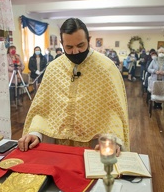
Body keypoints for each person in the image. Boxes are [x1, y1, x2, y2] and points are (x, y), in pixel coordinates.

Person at [18, 18, 130, 155]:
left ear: (89, 40)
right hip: (59, 145)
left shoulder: (107, 68)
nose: (76, 51)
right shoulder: (54, 68)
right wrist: (35, 133)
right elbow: (42, 107)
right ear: (62, 44)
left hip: (96, 144)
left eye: (81, 45)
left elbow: (115, 110)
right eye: (69, 47)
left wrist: (114, 140)